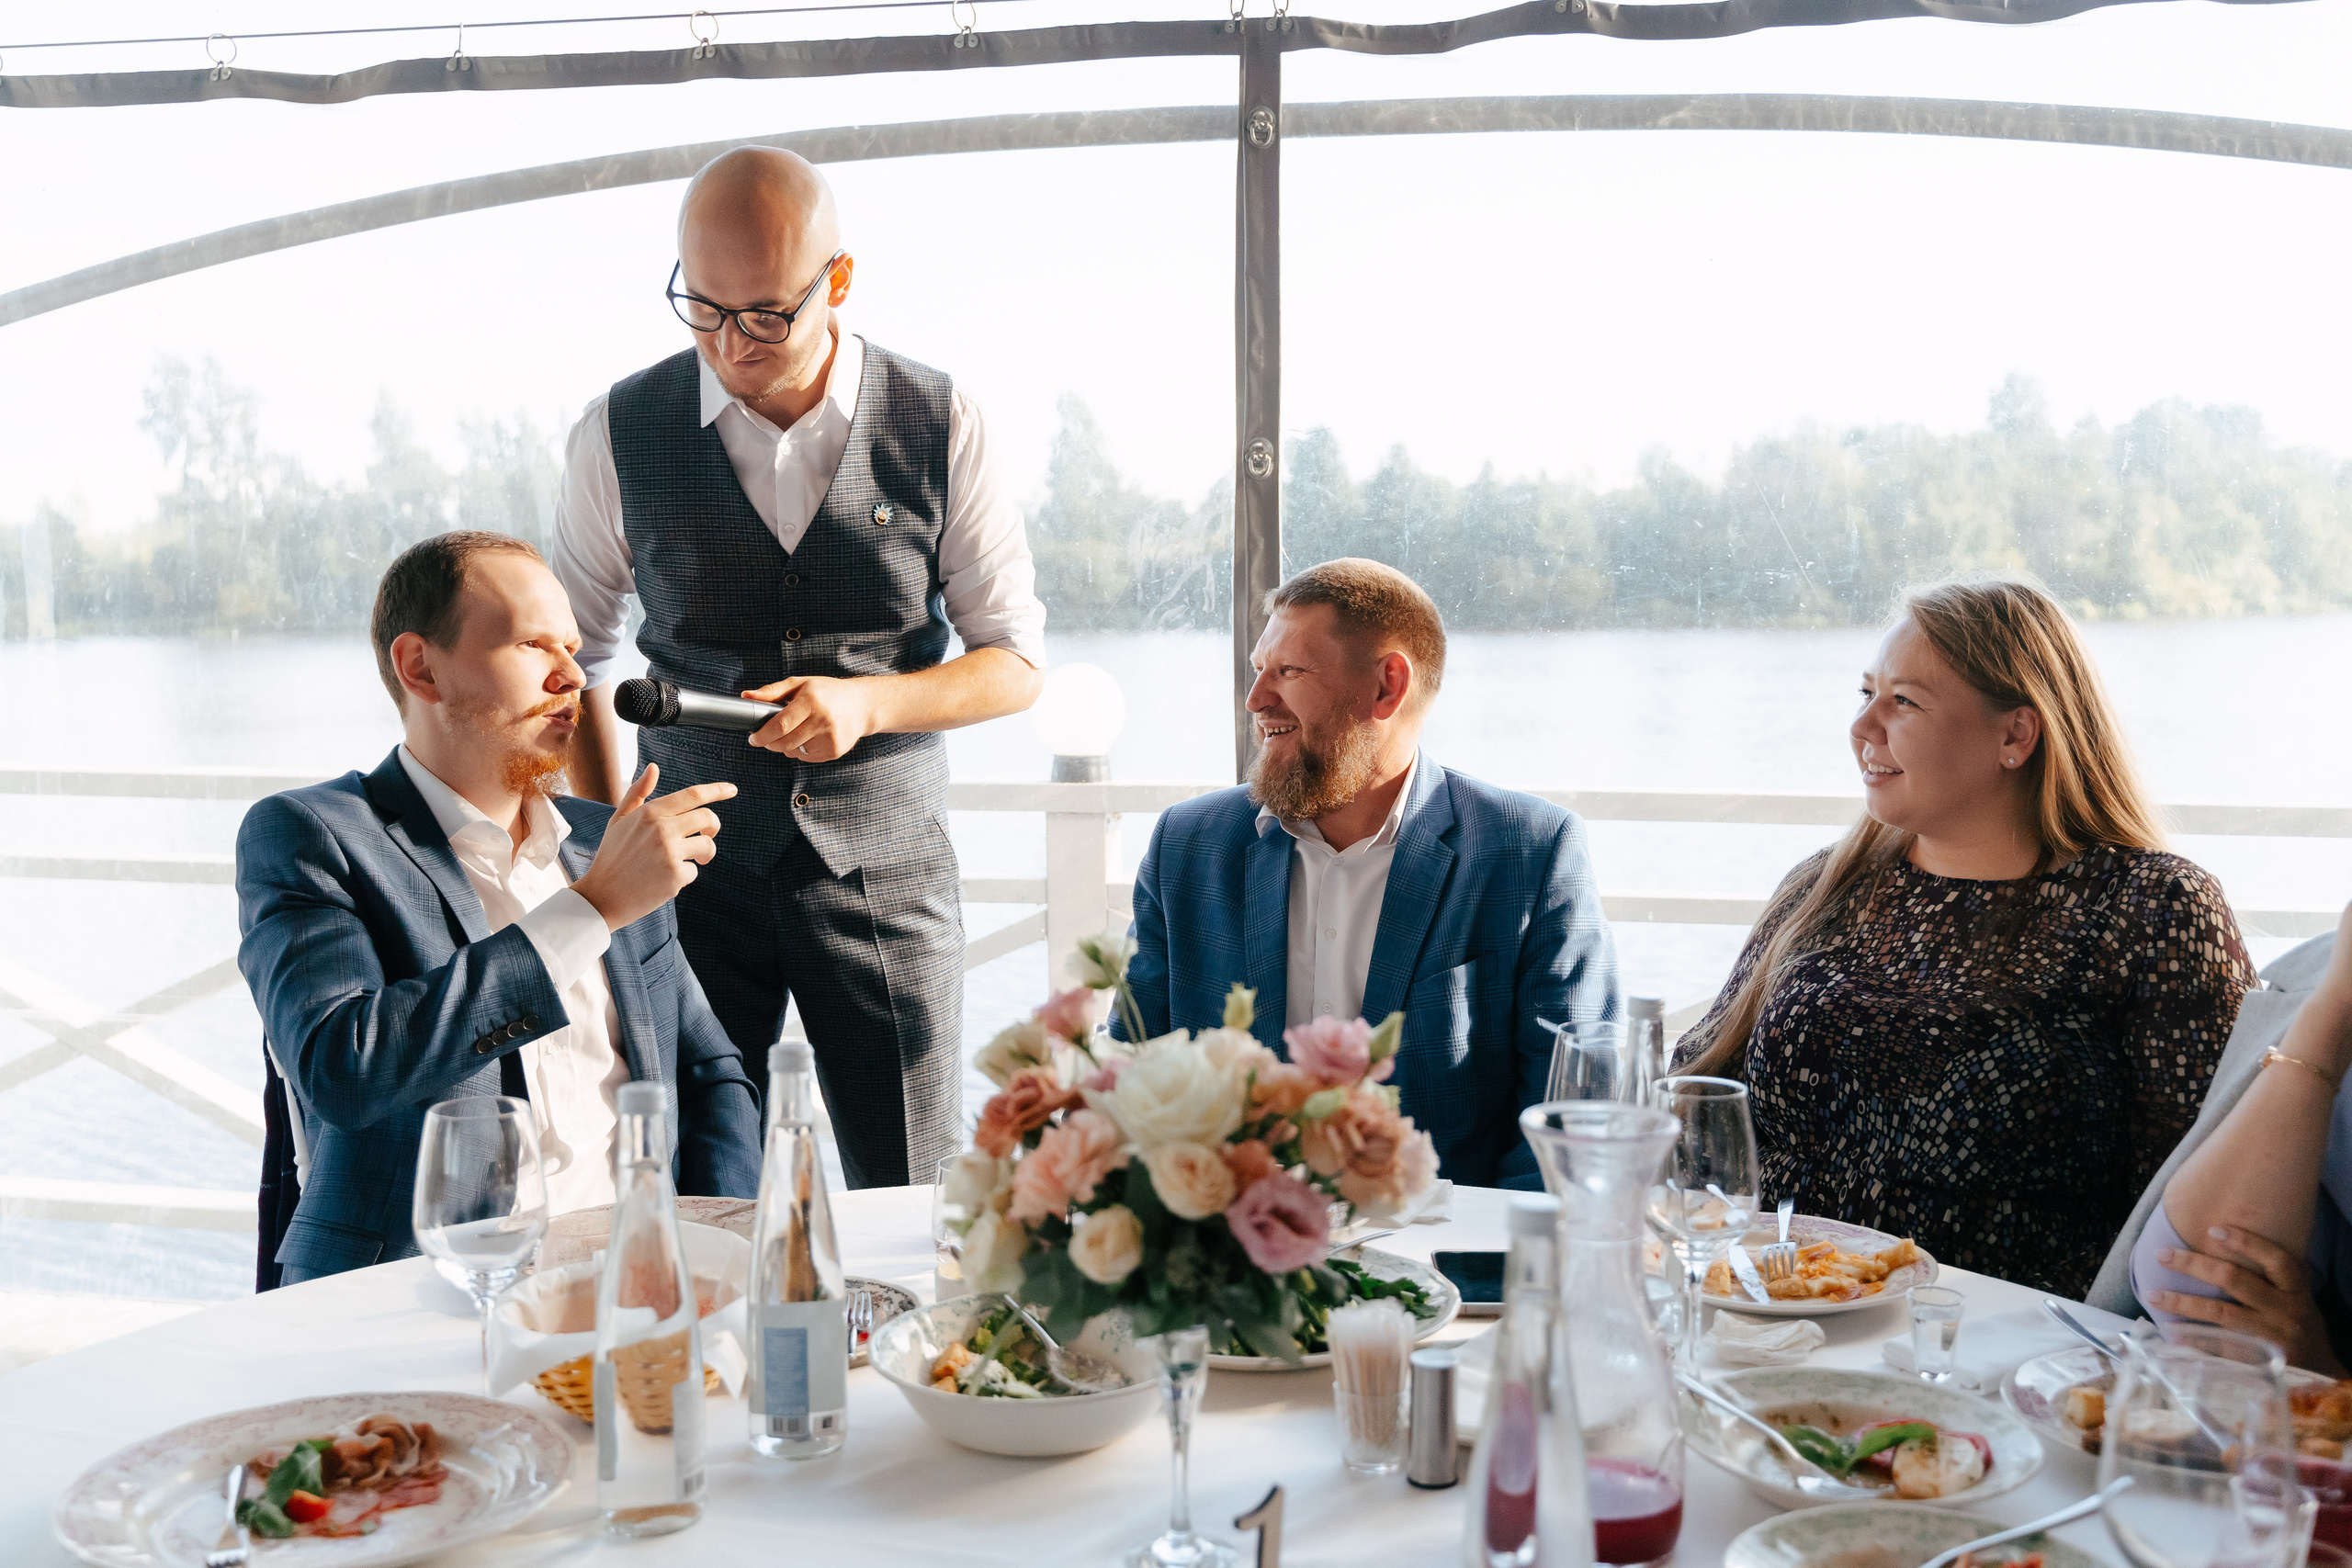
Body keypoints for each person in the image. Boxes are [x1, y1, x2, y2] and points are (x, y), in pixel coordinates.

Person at [553, 146, 1046, 1190]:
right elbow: (567, 668)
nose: (731, 343)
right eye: (703, 307)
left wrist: (871, 704)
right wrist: (609, 852)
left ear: (841, 280)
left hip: (885, 868)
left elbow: (1014, 663)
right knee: (682, 1193)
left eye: (766, 314)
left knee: (911, 1195)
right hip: (686, 881)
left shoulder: (940, 420)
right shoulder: (616, 429)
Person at [1671, 578, 2256, 1300]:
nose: (1862, 727)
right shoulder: (1824, 883)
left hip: (2003, 1349)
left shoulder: (2153, 907)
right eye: (1866, 693)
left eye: (1904, 701)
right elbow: (1694, 1093)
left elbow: (2198, 1190)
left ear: (2015, 734)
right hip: (1765, 1317)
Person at [236, 532, 763, 1284]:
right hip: (422, 1298)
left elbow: (710, 1075)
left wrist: (719, 1246)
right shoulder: (311, 835)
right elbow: (343, 1069)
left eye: (575, 648)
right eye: (532, 645)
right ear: (421, 667)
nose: (572, 676)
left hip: (638, 1284)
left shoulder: (602, 839)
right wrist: (589, 912)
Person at [1122, 558, 1617, 1189]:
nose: (1256, 700)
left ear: (1388, 685)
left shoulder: (1532, 852)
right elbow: (1136, 1079)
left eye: (1289, 671)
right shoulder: (1187, 847)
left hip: (1444, 1264)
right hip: (1231, 1266)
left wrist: (1470, 1277)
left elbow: (1572, 1122)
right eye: (1257, 671)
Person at [2110, 908, 2351, 1371]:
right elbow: (2191, 1290)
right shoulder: (2324, 977)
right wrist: (2331, 1013)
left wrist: (2330, 1378)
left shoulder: (2162, 901)